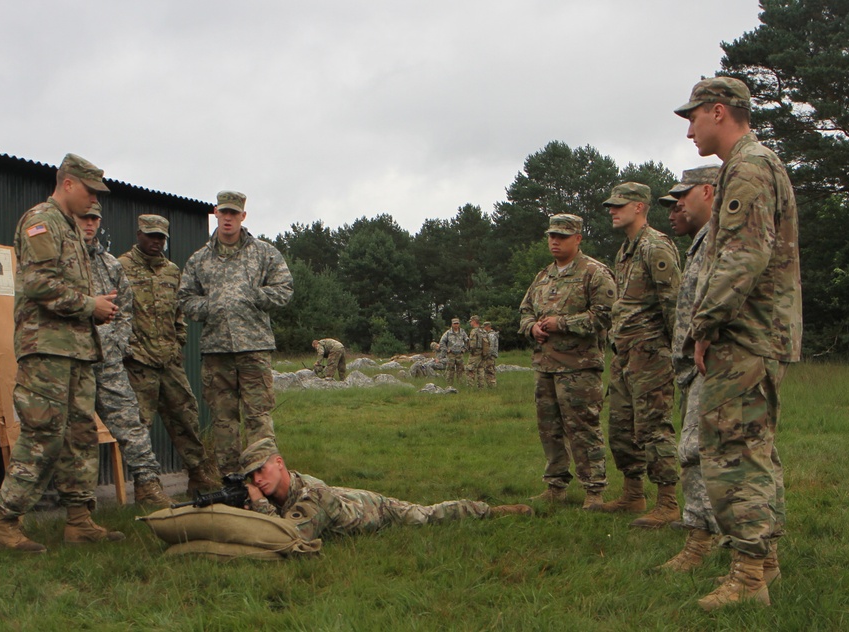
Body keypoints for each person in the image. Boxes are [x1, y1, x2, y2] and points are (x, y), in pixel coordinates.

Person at [675, 76, 801, 610]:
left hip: (743, 335)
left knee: (733, 455)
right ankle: (764, 561)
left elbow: (743, 257)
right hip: (756, 332)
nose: (690, 133)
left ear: (719, 111)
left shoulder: (748, 167)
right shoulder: (754, 165)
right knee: (755, 449)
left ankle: (748, 578)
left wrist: (704, 326)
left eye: (693, 119)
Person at [0, 153, 124, 552]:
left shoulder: (70, 230)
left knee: (80, 435)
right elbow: (38, 285)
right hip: (45, 350)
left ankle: (79, 521)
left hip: (76, 350)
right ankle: (4, 521)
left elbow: (65, 290)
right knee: (43, 432)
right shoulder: (41, 222)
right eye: (90, 190)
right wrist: (89, 305)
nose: (94, 200)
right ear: (67, 184)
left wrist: (96, 310)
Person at [179, 191, 294, 475]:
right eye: (223, 213)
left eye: (234, 214)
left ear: (243, 216)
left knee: (258, 416)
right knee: (223, 419)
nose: (228, 219)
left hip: (254, 348)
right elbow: (184, 299)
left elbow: (284, 289)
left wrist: (255, 295)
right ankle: (229, 480)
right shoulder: (199, 260)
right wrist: (209, 306)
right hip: (217, 351)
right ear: (215, 214)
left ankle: (264, 477)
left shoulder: (264, 253)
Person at [590, 182, 682, 529]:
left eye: (619, 205)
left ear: (640, 207)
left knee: (653, 427)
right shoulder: (626, 250)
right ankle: (632, 493)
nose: (612, 210)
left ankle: (668, 502)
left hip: (651, 353)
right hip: (625, 353)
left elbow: (673, 302)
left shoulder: (655, 246)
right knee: (622, 428)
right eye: (610, 205)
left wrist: (677, 353)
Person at [240, 438, 533, 541]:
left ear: (279, 463)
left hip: (376, 510)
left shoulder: (312, 494)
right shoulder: (281, 489)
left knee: (425, 516)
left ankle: (487, 510)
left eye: (261, 470)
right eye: (250, 476)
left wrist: (258, 504)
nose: (257, 479)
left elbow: (293, 535)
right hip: (346, 500)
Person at [77, 204, 172, 508]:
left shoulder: (109, 265)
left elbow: (125, 309)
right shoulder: (61, 261)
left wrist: (117, 344)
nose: (89, 224)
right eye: (83, 218)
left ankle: (148, 487)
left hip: (108, 361)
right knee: (76, 432)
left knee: (131, 424)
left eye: (94, 218)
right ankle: (79, 503)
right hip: (72, 361)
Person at [119, 215, 221, 495]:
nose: (156, 242)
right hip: (137, 362)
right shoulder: (120, 267)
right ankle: (145, 487)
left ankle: (199, 477)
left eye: (161, 237)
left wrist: (178, 342)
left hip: (168, 360)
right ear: (139, 234)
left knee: (186, 416)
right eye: (151, 236)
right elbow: (113, 314)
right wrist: (126, 348)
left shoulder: (172, 271)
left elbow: (178, 315)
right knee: (138, 427)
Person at [519, 214, 615, 508]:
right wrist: (531, 327)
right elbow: (524, 311)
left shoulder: (595, 273)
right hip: (545, 366)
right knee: (549, 429)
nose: (555, 241)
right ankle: (555, 487)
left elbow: (606, 315)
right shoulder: (543, 276)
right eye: (551, 236)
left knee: (583, 429)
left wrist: (563, 323)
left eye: (562, 236)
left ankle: (594, 490)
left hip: (579, 367)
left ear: (578, 238)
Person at [655, 166, 722, 571]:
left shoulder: (721, 237)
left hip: (711, 364)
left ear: (710, 192)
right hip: (694, 366)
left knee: (695, 452)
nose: (677, 204)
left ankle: (701, 541)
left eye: (685, 195)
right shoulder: (701, 241)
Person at [438, 318, 468, 385]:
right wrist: (446, 350)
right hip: (451, 354)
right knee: (450, 370)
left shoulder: (462, 332)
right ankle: (449, 384)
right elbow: (442, 342)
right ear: (452, 324)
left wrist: (465, 349)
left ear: (459, 324)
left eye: (457, 323)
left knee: (460, 369)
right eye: (454, 323)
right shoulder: (448, 333)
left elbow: (467, 341)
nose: (456, 325)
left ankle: (460, 384)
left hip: (460, 354)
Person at [465, 315, 488, 388]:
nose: (470, 323)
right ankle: (481, 386)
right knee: (481, 369)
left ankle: (470, 386)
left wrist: (471, 351)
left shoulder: (474, 331)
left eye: (471, 321)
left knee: (470, 369)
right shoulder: (483, 330)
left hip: (475, 353)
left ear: (474, 321)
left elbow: (473, 344)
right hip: (483, 353)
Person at [482, 322, 499, 388]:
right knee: (488, 370)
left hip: (490, 356)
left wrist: (487, 355)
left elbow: (491, 347)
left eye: (484, 327)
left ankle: (492, 385)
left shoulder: (491, 335)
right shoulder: (489, 334)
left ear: (487, 327)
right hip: (490, 355)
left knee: (490, 370)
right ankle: (490, 385)